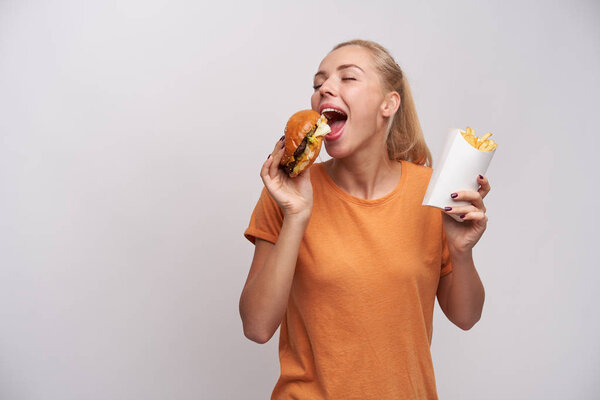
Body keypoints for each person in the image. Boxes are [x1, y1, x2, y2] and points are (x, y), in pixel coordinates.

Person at [239, 39, 489, 399]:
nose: (325, 88)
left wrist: (462, 251)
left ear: (389, 103)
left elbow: (466, 317)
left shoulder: (431, 192)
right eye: (318, 83)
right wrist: (296, 216)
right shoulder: (288, 191)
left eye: (348, 78)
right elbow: (257, 326)